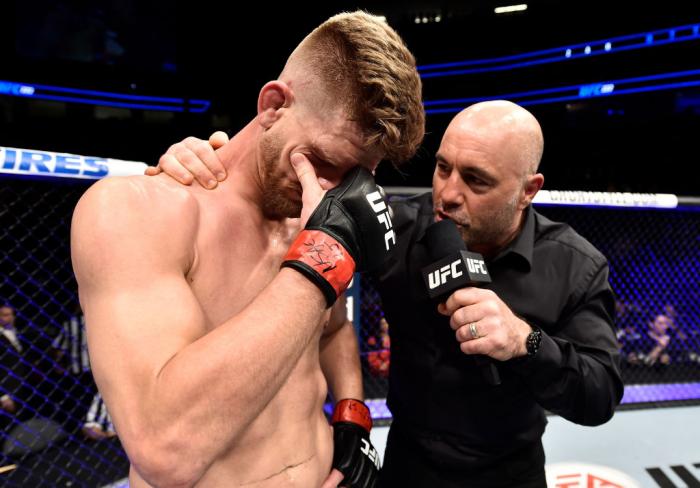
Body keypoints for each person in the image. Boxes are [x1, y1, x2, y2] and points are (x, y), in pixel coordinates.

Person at [157, 99, 624, 487]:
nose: (448, 194)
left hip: (509, 471)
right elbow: (288, 230)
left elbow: (599, 394)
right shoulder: (400, 228)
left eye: (476, 180)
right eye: (443, 168)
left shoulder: (573, 264)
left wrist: (525, 342)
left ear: (528, 191)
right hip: (406, 462)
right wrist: (209, 162)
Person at [71, 11, 424, 488]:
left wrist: (352, 420)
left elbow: (333, 329)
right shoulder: (139, 211)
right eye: (323, 161)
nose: (330, 190)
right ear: (274, 105)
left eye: (360, 176)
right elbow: (163, 448)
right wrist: (320, 260)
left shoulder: (315, 214)